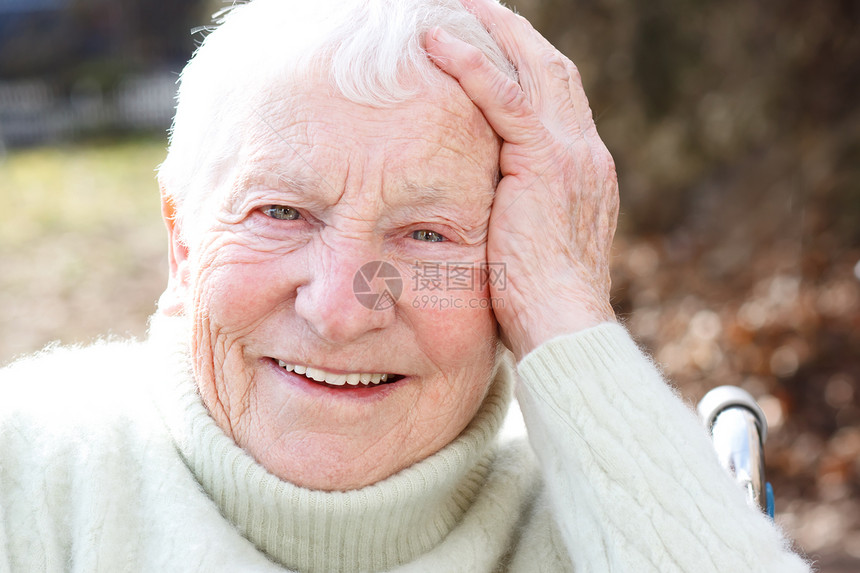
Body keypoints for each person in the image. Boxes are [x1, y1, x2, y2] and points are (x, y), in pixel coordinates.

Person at [0, 0, 810, 571]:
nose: (341, 310)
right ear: (181, 240)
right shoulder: (29, 460)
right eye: (281, 211)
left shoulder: (608, 503)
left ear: (514, 266)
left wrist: (567, 315)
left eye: (428, 234)